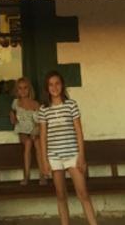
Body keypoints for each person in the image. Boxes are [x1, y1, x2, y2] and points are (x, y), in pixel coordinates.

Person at [38, 71, 98, 225]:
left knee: (83, 193)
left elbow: (79, 131)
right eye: (50, 84)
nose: (54, 87)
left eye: (57, 83)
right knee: (60, 195)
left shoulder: (71, 105)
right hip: (54, 156)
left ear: (62, 85)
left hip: (72, 155)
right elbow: (43, 136)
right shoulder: (43, 109)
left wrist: (81, 156)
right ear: (47, 87)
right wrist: (44, 161)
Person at [9, 77, 48, 185]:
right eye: (20, 88)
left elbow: (40, 121)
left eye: (25, 88)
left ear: (30, 89)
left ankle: (42, 174)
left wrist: (35, 131)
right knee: (28, 143)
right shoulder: (16, 103)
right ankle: (26, 175)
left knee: (37, 143)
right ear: (17, 90)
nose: (23, 91)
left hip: (34, 130)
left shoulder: (35, 104)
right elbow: (13, 120)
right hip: (22, 131)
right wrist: (12, 114)